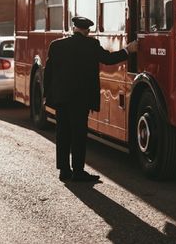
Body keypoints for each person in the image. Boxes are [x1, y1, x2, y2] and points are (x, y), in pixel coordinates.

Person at [43, 16, 137, 183]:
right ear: (87, 30)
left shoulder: (56, 45)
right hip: (81, 99)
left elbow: (48, 73)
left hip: (62, 98)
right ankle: (78, 172)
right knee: (78, 134)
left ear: (73, 28)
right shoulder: (91, 45)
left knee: (63, 133)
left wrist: (48, 95)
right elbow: (108, 60)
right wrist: (127, 50)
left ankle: (64, 171)